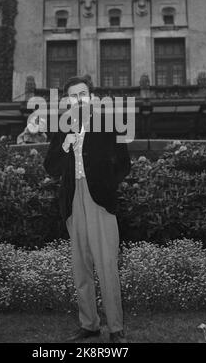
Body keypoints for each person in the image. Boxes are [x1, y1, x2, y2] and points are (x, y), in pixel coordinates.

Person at [44, 74, 130, 343]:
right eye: (72, 95)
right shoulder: (62, 127)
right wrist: (65, 146)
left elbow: (123, 163)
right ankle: (89, 324)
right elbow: (51, 168)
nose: (78, 99)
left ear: (91, 97)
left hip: (99, 200)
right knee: (80, 266)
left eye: (82, 94)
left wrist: (107, 185)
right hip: (72, 200)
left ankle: (116, 328)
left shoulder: (108, 123)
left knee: (106, 265)